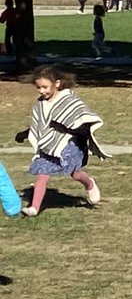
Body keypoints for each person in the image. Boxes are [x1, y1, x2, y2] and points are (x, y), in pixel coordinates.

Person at [15, 65, 106, 217]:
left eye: (45, 87)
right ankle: (34, 207)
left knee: (74, 173)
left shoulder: (68, 100)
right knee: (42, 173)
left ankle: (89, 183)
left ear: (57, 84)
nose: (41, 91)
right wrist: (26, 133)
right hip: (48, 145)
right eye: (38, 87)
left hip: (68, 144)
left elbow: (81, 120)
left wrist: (67, 128)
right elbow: (41, 123)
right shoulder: (40, 103)